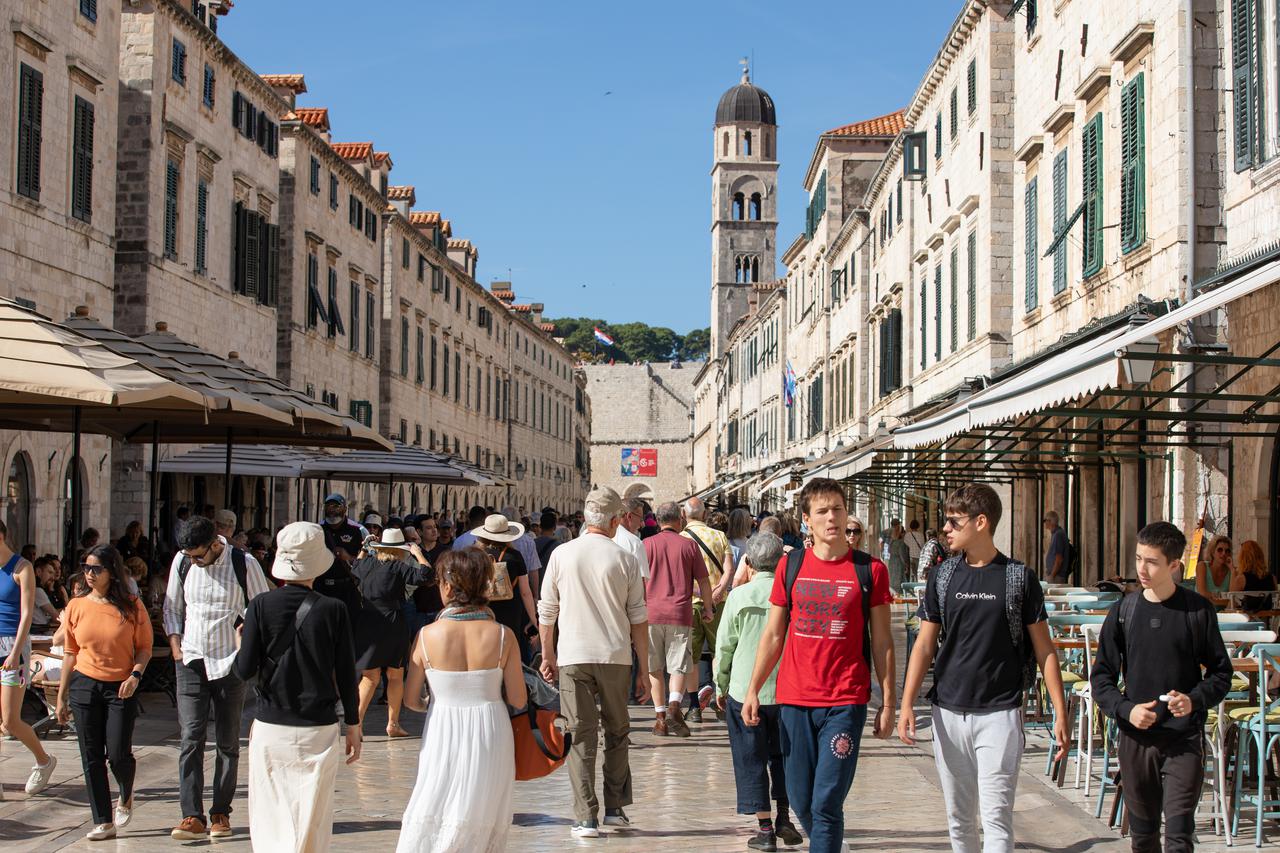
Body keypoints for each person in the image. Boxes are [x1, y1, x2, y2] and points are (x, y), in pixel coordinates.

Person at [899, 483, 1070, 853]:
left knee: (996, 818)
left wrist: (1059, 710)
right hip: (947, 711)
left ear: (981, 522)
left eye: (953, 522)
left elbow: (1045, 649)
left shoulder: (1018, 578)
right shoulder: (942, 577)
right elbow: (925, 644)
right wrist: (906, 703)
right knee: (959, 819)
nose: (945, 529)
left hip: (1001, 712)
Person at [741, 478, 896, 853]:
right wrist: (752, 690)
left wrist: (889, 702)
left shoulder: (869, 570)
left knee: (826, 803)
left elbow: (882, 642)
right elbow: (774, 635)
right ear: (807, 520)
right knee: (800, 799)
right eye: (823, 511)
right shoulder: (790, 567)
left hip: (845, 700)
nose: (832, 518)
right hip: (794, 699)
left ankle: (826, 843)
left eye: (838, 509)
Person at [1091, 521, 1233, 853]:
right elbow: (1101, 678)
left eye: (1151, 561)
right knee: (1143, 837)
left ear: (1174, 565)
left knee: (1180, 838)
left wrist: (1194, 700)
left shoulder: (1198, 611)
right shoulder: (1123, 612)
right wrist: (1127, 709)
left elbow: (1221, 673)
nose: (1142, 568)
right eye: (1139, 558)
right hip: (1135, 740)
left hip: (1183, 739)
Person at [234, 522, 362, 852]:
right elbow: (347, 672)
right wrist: (353, 723)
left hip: (271, 722)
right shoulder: (334, 610)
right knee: (313, 812)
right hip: (317, 725)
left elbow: (244, 670)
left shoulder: (260, 606)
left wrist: (240, 642)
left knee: (270, 808)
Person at [538, 487, 650, 838]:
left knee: (580, 735)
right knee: (617, 731)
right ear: (616, 520)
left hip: (573, 656)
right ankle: (615, 807)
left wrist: (547, 654)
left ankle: (585, 816)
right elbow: (638, 618)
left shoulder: (562, 554)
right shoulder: (625, 559)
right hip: (615, 656)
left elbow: (547, 611)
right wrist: (644, 669)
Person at [398, 549, 527, 851]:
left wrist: (436, 704)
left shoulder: (427, 635)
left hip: (443, 726)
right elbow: (519, 698)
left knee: (435, 795)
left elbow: (410, 700)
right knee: (483, 804)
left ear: (448, 586)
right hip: (490, 728)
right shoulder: (503, 635)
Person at [163, 515, 271, 840]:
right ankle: (191, 816)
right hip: (192, 658)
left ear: (214, 544)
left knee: (227, 741)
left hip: (229, 662)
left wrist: (245, 633)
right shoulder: (182, 562)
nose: (194, 561)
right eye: (189, 556)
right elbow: (172, 606)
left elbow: (261, 604)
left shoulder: (244, 562)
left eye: (199, 555)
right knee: (190, 737)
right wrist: (175, 645)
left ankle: (220, 812)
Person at [54, 545, 153, 840]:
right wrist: (61, 697)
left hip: (121, 685)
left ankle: (125, 794)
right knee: (91, 756)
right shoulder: (76, 605)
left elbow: (145, 648)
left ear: (112, 572)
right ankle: (102, 821)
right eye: (86, 567)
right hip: (84, 684)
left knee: (118, 754)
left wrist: (136, 675)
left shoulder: (132, 605)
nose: (89, 573)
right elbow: (70, 653)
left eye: (96, 568)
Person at [713, 532, 804, 851]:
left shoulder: (739, 596)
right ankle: (783, 817)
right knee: (784, 756)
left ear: (748, 563)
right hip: (786, 689)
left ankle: (764, 829)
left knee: (749, 757)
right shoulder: (793, 595)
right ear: (782, 562)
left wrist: (720, 685)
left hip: (744, 689)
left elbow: (724, 646)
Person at [350, 528, 434, 737]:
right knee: (395, 675)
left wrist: (364, 549)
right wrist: (418, 553)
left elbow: (355, 567)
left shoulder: (367, 564)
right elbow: (426, 574)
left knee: (369, 677)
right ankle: (392, 723)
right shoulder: (398, 566)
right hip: (392, 621)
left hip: (368, 620)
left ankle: (357, 723)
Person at [644, 501, 714, 737]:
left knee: (655, 667)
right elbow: (704, 581)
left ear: (658, 519)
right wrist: (708, 608)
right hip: (680, 612)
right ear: (680, 519)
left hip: (651, 613)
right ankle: (675, 705)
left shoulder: (646, 545)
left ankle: (661, 718)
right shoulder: (689, 546)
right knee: (678, 664)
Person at [0, 519, 58, 798]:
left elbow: (26, 613)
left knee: (10, 720)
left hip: (14, 644)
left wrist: (14, 652)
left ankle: (44, 761)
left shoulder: (21, 568)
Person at [681, 497, 734, 721]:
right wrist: (716, 592)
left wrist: (698, 594)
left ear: (684, 515)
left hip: (690, 604)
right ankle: (720, 697)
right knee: (718, 651)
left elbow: (680, 576)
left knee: (691, 656)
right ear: (704, 515)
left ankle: (694, 706)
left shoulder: (681, 539)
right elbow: (730, 570)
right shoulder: (720, 536)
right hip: (718, 602)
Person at [470, 514, 540, 662]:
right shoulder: (514, 556)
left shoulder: (475, 556)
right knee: (507, 651)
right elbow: (525, 591)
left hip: (482, 607)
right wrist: (533, 618)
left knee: (484, 650)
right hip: (510, 610)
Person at [1231, 539, 1276, 617]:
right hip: (1267, 621)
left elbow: (1231, 602)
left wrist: (1232, 572)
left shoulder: (1241, 579)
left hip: (1246, 622)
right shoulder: (1272, 578)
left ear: (1242, 558)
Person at [320, 494, 368, 565]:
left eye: (336, 506)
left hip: (347, 575)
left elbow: (368, 562)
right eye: (328, 506)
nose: (331, 510)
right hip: (322, 575)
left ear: (345, 509)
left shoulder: (359, 530)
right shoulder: (318, 529)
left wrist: (348, 557)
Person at [615, 497, 649, 580]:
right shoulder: (634, 543)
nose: (642, 524)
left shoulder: (601, 536)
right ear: (629, 516)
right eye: (641, 519)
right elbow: (642, 581)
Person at [1196, 533, 1233, 600]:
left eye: (1227, 551)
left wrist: (1232, 569)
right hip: (1203, 609)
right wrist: (1223, 597)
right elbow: (1202, 593)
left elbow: (1233, 596)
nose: (1224, 553)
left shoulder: (1231, 571)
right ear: (1212, 552)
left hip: (1223, 610)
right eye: (1220, 550)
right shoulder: (1202, 566)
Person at [29, 556, 62, 631]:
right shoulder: (37, 591)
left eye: (53, 574)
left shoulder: (37, 590)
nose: (52, 577)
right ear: (38, 572)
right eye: (50, 572)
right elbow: (56, 616)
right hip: (40, 632)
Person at [1044, 511, 1069, 583]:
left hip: (1056, 577)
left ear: (1050, 521)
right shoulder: (1056, 534)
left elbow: (1059, 559)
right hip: (1056, 576)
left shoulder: (1058, 535)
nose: (1045, 523)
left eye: (1045, 520)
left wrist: (1052, 575)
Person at [887, 523, 910, 595]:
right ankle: (898, 594)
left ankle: (893, 593)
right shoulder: (901, 543)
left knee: (892, 578)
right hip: (898, 562)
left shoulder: (891, 542)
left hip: (891, 561)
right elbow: (902, 555)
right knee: (899, 578)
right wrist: (906, 565)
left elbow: (888, 551)